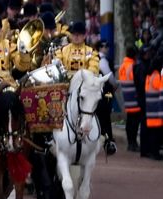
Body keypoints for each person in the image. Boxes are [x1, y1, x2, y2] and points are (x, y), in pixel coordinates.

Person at [57, 21, 115, 154]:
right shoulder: (62, 51)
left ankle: (106, 138)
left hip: (86, 87)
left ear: (84, 36)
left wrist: (84, 81)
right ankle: (49, 137)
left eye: (79, 34)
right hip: (67, 87)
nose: (76, 37)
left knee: (102, 106)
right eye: (74, 34)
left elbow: (94, 69)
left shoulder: (91, 52)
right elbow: (59, 66)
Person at [119, 46, 141, 153]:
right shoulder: (133, 66)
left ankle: (130, 143)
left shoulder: (123, 65)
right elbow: (137, 80)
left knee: (130, 120)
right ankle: (133, 143)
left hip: (126, 95)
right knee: (134, 121)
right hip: (134, 96)